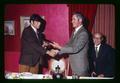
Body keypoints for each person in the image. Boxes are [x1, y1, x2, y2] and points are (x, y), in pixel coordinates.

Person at [51, 12, 89, 76]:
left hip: (80, 67)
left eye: (74, 19)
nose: (71, 21)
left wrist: (60, 47)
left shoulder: (83, 33)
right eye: (72, 19)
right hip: (75, 66)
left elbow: (75, 49)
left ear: (80, 20)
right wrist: (58, 50)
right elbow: (69, 45)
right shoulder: (75, 31)